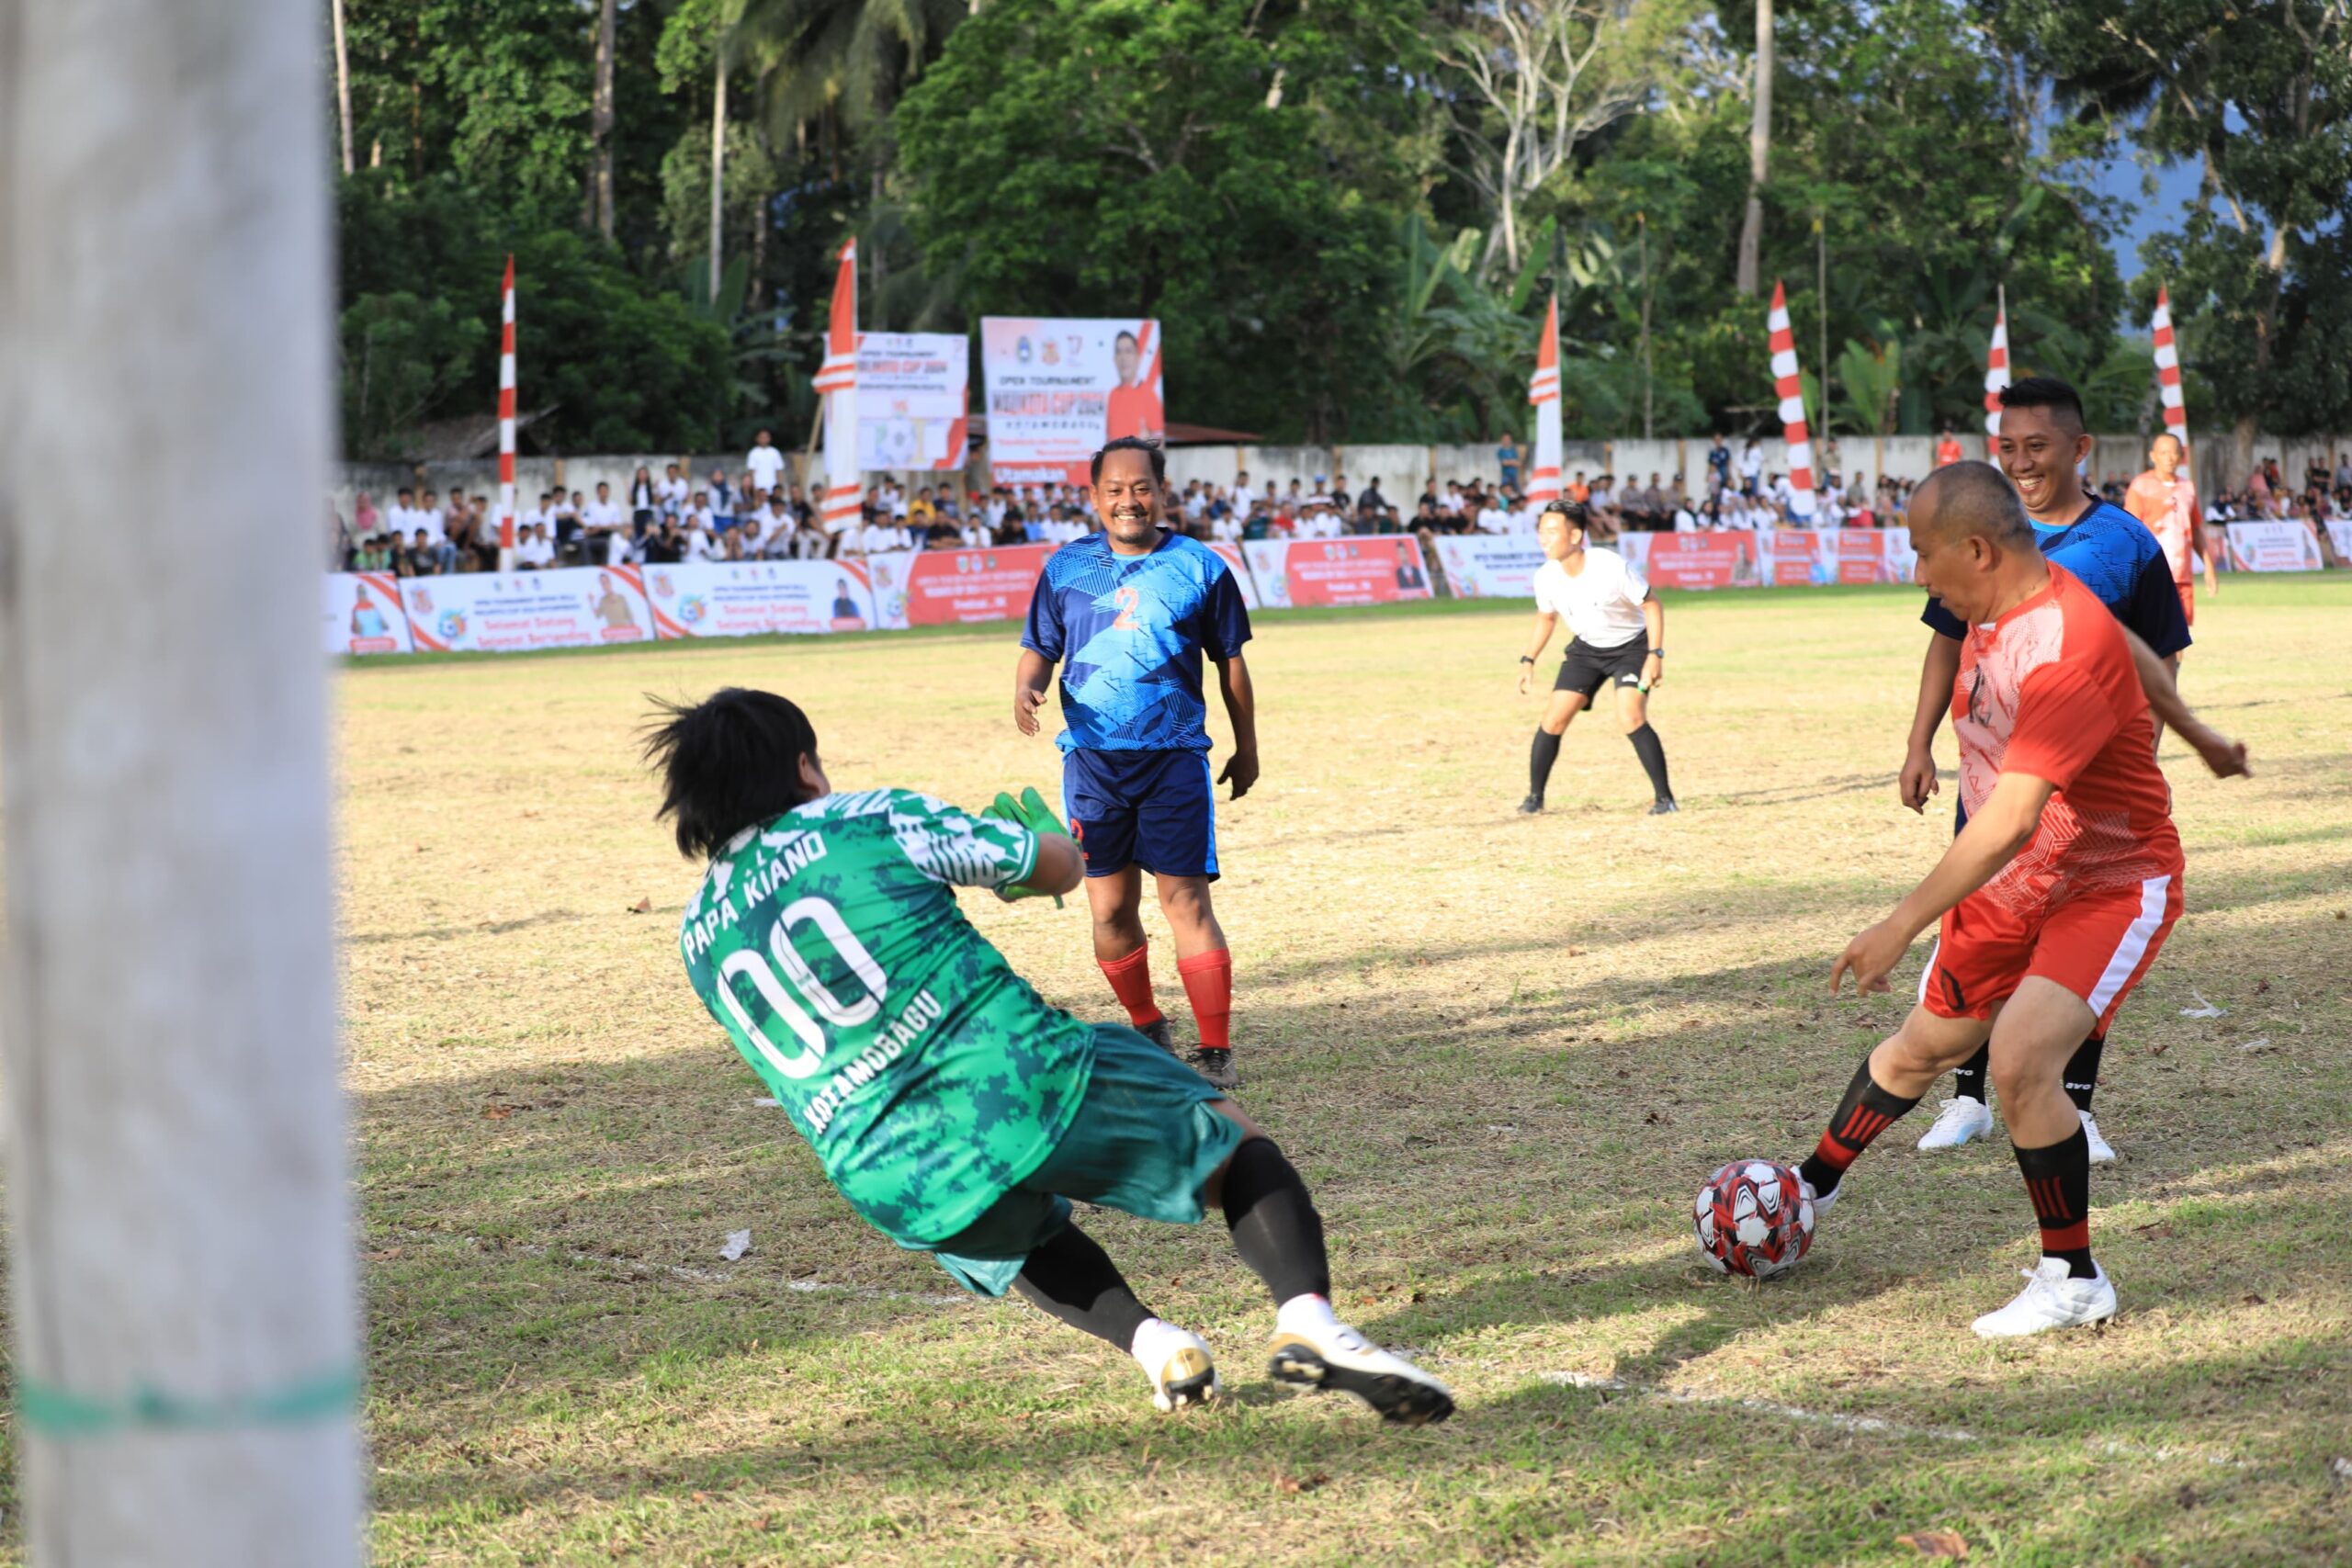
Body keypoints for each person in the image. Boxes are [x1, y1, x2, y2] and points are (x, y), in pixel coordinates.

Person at [643, 689, 1451, 1422]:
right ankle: (1309, 1323)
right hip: (1008, 1074)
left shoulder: (697, 933)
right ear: (802, 768)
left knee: (1012, 1231)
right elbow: (1057, 864)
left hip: (881, 1166)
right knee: (1231, 1139)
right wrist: (1042, 844)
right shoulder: (862, 817)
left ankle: (1157, 1346)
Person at [1801, 462, 2246, 1338]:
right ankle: (1804, 1192)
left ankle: (2073, 1278)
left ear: (1975, 548)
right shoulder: (2001, 605)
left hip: (2109, 882)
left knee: (2019, 1058)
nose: (1919, 575)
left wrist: (1899, 920)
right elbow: (2142, 655)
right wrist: (2197, 735)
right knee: (1923, 1046)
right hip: (2013, 884)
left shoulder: (2065, 643)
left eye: (1925, 555)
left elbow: (2008, 817)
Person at [1901, 378, 2192, 1163]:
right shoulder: (1977, 527)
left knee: (2077, 943)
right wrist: (1918, 741)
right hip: (1995, 785)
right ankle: (1966, 1101)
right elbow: (1944, 642)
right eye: (2008, 448)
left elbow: (2157, 652)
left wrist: (2155, 741)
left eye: (2037, 446)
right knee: (1980, 934)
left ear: (2079, 448)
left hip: (2085, 798)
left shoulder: (2126, 544)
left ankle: (2078, 1107)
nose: (2022, 462)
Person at [1015, 438, 1258, 1091]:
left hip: (1174, 759)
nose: (1130, 500)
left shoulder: (1200, 566)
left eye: (1142, 486)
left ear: (1162, 489)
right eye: (1115, 489)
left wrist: (1248, 744)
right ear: (1094, 497)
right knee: (1110, 913)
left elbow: (1230, 661)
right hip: (1093, 765)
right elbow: (1040, 646)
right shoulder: (1066, 568)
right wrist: (1025, 685)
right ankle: (1148, 1024)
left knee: (1186, 901)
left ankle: (1214, 1049)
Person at [1513, 500, 1674, 816]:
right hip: (1586, 651)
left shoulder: (1610, 566)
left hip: (1632, 648)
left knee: (1630, 717)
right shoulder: (1546, 576)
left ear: (1574, 537)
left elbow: (1652, 605)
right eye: (1540, 531)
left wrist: (1655, 655)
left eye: (1551, 531)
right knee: (1553, 720)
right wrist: (1527, 660)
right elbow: (1546, 618)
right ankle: (1534, 798)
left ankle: (1665, 799)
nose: (1542, 538)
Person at [2124, 433, 2220, 652]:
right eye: (2163, 452)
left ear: (2182, 456)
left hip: (2182, 575)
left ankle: (2170, 684)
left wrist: (2209, 566)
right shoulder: (2141, 487)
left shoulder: (2188, 488)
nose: (2169, 457)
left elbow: (2195, 529)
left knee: (2177, 640)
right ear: (2153, 456)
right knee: (2150, 638)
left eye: (2174, 452)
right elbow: (2130, 532)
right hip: (2151, 576)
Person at [1104, 330, 1164, 441]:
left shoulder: (1149, 394)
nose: (1123, 357)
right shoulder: (1113, 395)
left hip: (1138, 458)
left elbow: (1159, 441)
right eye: (1119, 352)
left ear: (1137, 357)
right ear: (1114, 359)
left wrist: (1146, 443)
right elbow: (1109, 438)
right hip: (1115, 458)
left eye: (1128, 351)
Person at [746, 428, 787, 500]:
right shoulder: (753, 453)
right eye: (762, 437)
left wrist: (779, 487)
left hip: (773, 489)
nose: (764, 439)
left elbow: (779, 471)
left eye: (766, 437)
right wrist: (753, 487)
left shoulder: (775, 452)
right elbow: (751, 472)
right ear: (757, 439)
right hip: (759, 490)